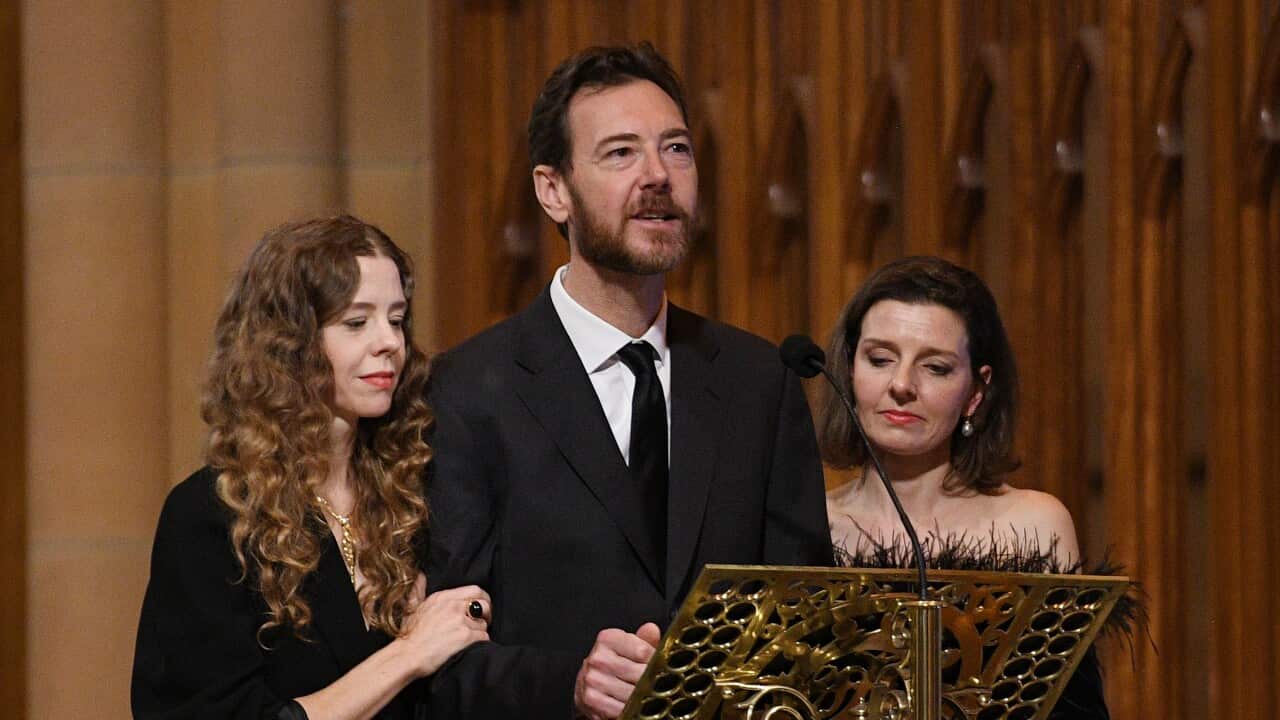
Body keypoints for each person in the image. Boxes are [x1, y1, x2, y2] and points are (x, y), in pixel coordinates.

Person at [425, 43, 832, 720]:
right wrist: (569, 684)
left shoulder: (760, 382)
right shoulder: (468, 391)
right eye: (620, 153)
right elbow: (437, 662)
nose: (658, 175)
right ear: (553, 190)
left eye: (676, 149)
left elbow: (807, 622)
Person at [132, 216, 491, 720]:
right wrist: (409, 655)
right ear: (288, 345)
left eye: (396, 319)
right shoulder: (211, 516)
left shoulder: (418, 488)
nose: (389, 342)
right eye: (356, 323)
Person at [817, 255, 1108, 720]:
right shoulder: (811, 523)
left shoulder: (1033, 524)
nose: (901, 385)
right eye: (880, 359)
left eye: (935, 367)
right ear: (849, 370)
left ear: (976, 391)